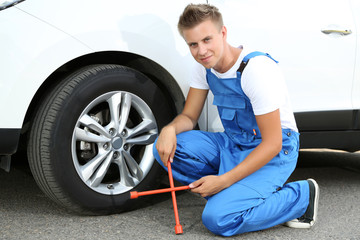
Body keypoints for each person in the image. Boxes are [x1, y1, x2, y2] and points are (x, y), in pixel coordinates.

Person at [153, 3, 319, 237]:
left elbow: (273, 144)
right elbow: (189, 117)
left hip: (274, 149)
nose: (201, 51)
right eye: (193, 44)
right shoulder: (204, 68)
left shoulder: (255, 70)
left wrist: (222, 181)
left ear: (223, 33)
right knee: (166, 149)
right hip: (233, 143)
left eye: (207, 40)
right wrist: (169, 130)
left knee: (218, 219)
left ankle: (301, 197)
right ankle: (240, 191)